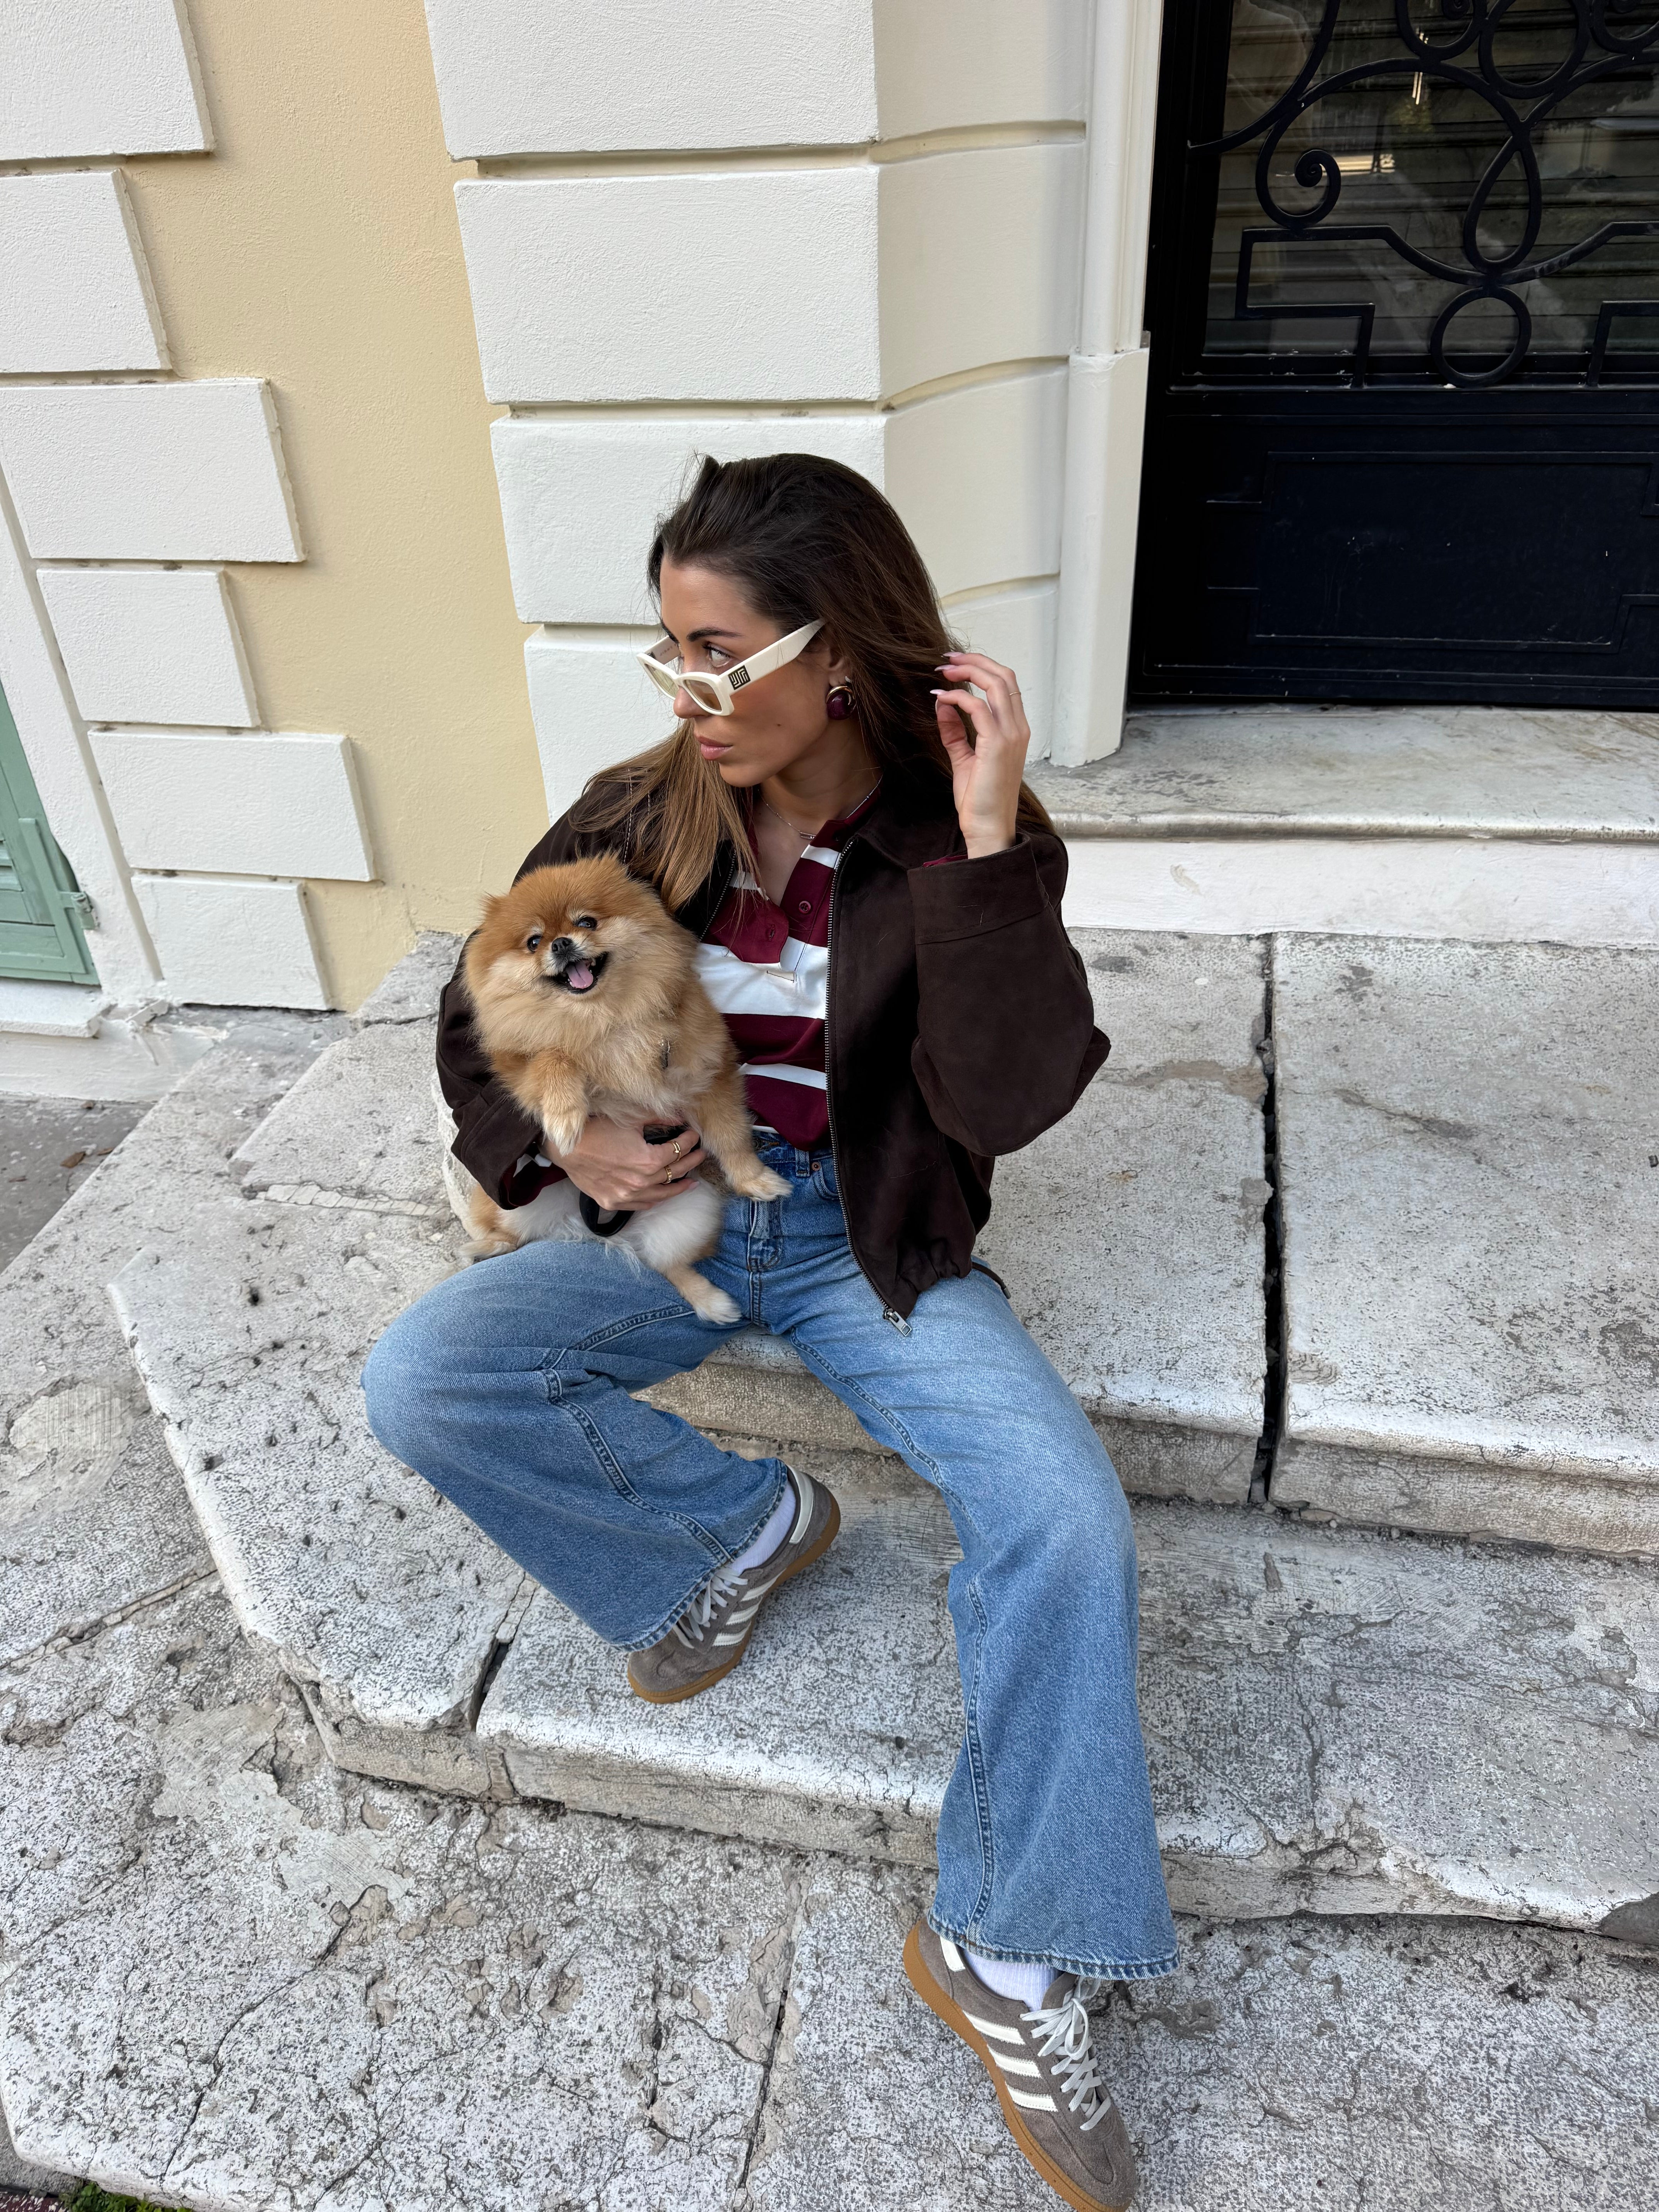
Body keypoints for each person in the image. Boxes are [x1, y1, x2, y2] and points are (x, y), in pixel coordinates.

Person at [363, 454, 1176, 2212]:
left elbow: (1007, 1096)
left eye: (720, 655)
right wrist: (564, 1142)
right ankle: (735, 1530)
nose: (689, 691)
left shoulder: (961, 835)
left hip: (872, 1242)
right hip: (678, 1220)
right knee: (425, 1378)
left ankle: (1004, 1947)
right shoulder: (639, 815)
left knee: (1061, 1517)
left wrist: (984, 849)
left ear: (843, 649)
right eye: (670, 651)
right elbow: (484, 1006)